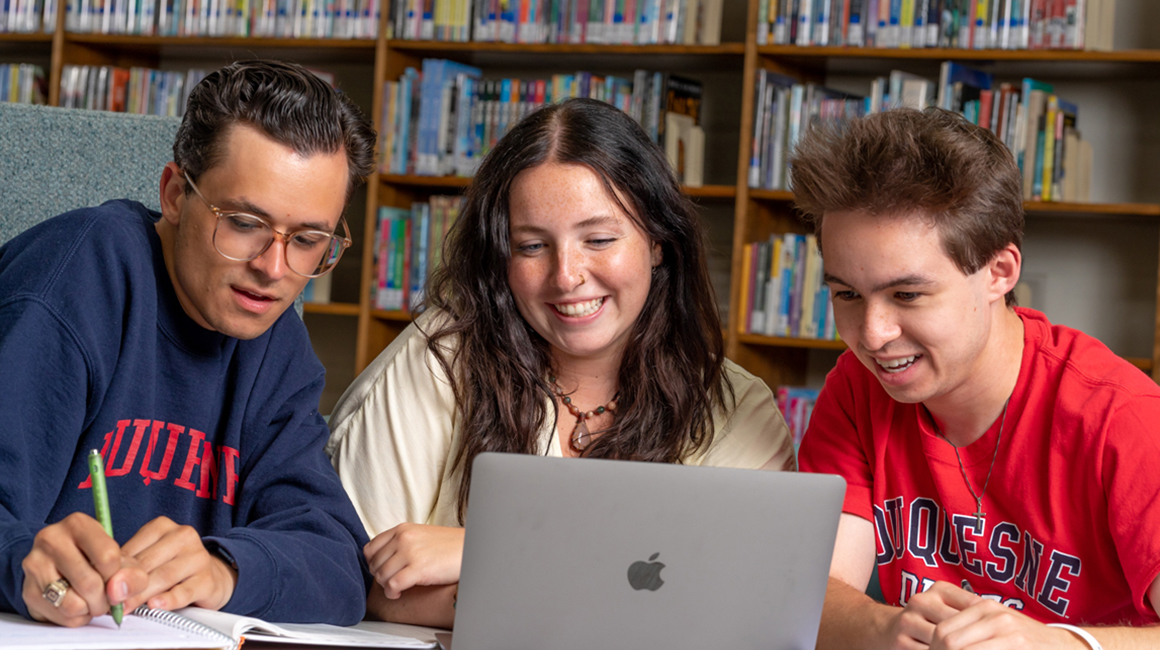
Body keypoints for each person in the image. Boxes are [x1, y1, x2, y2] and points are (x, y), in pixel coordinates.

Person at [326, 97, 796, 628]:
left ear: (658, 242)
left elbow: (735, 608)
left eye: (598, 239)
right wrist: (537, 589)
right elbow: (348, 576)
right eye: (531, 246)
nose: (566, 276)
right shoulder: (436, 359)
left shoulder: (736, 408)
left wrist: (483, 554)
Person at [0, 60, 376, 627]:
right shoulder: (75, 277)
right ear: (176, 194)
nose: (274, 270)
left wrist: (225, 570)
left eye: (307, 240)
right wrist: (19, 562)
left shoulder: (276, 342)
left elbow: (337, 562)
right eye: (245, 223)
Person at [794, 107, 1160, 649]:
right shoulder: (857, 386)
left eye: (907, 295)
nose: (871, 335)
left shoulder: (1124, 417)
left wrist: (1060, 644)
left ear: (999, 272)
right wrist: (885, 626)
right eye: (847, 294)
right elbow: (813, 594)